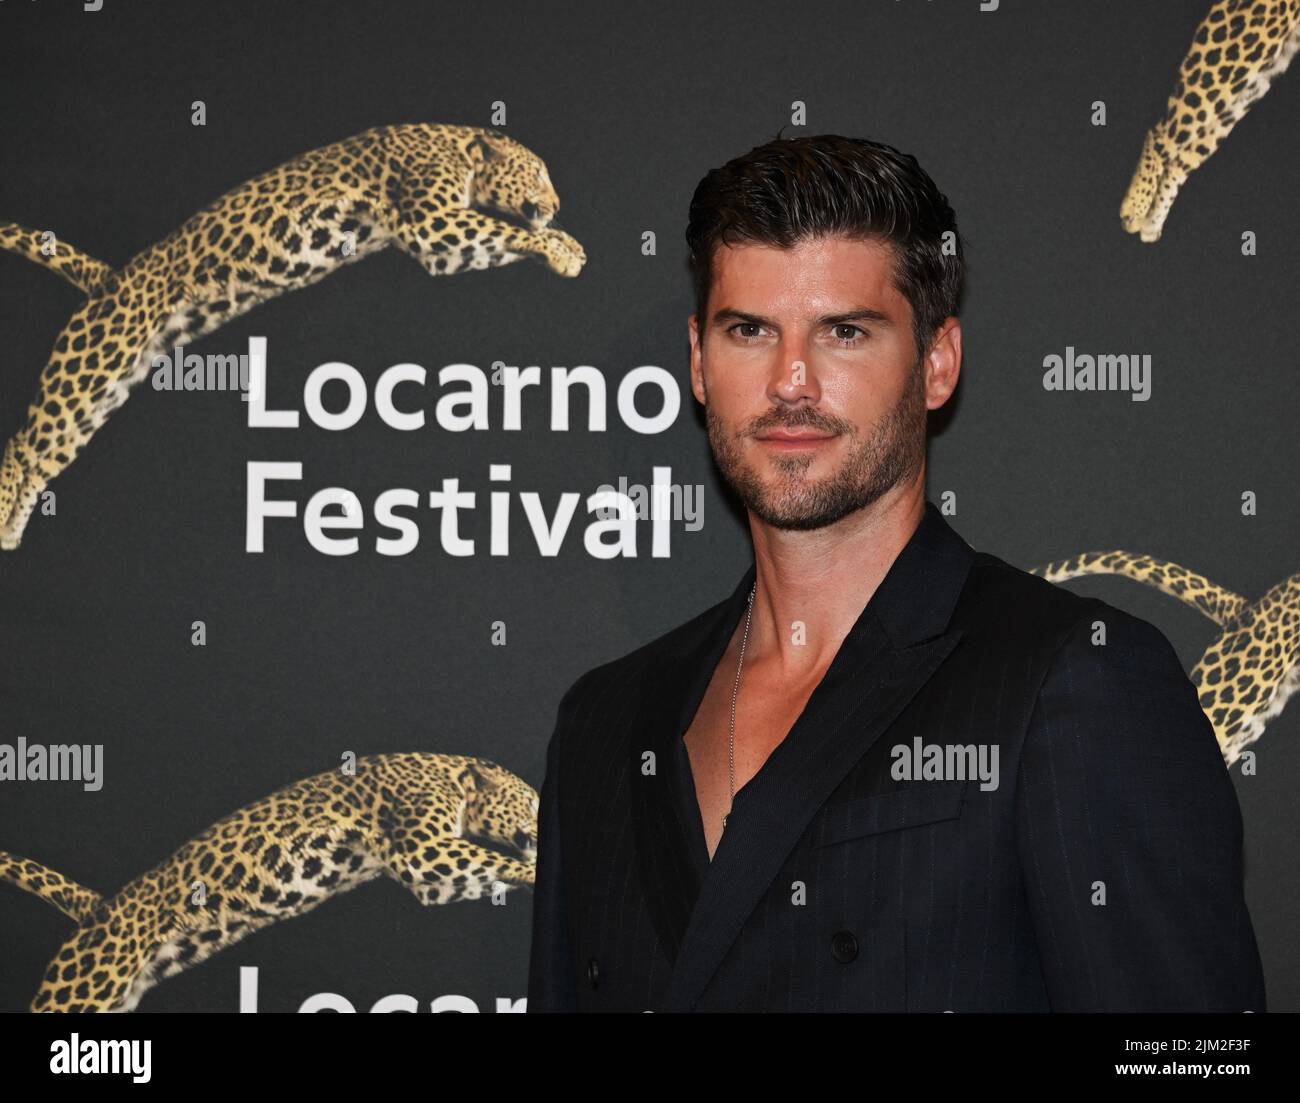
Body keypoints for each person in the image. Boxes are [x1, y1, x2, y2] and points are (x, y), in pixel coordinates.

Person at [526, 134, 1266, 1012]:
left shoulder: (1072, 682)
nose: (790, 382)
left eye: (844, 331)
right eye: (750, 330)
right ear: (698, 361)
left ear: (937, 362)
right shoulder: (604, 724)